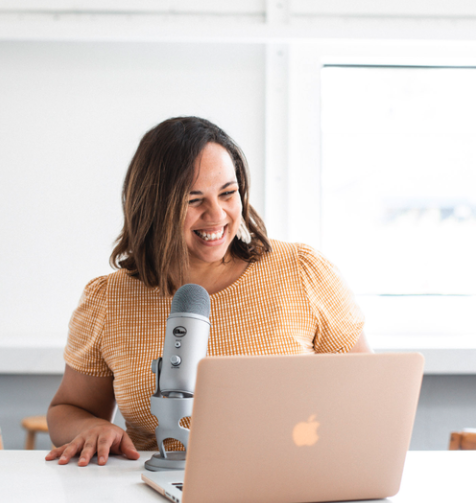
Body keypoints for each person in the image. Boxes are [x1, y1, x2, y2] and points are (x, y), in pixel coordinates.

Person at [46, 116, 371, 467]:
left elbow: (367, 392)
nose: (216, 215)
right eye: (193, 199)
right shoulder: (108, 300)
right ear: (155, 205)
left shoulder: (302, 270)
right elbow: (68, 410)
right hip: (162, 486)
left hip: (291, 477)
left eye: (228, 193)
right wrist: (92, 427)